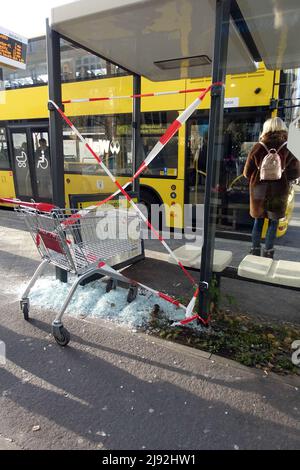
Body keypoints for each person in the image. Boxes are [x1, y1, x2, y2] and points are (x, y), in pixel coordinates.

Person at [243, 117, 300, 258]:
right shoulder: (290, 146)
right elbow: (296, 172)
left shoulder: (258, 146)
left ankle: (255, 250)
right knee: (273, 222)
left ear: (266, 128)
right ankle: (268, 252)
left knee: (258, 220)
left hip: (259, 189)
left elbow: (246, 173)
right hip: (279, 189)